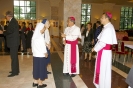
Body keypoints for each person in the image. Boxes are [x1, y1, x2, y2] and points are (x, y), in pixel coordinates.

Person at [92, 12, 117, 88]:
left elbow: (102, 43)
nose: (100, 19)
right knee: (103, 69)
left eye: (102, 18)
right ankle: (101, 84)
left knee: (103, 70)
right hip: (103, 52)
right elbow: (100, 41)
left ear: (107, 18)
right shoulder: (107, 27)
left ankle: (102, 85)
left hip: (104, 53)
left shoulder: (108, 28)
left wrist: (94, 48)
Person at [32, 20, 48, 88]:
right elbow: (43, 47)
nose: (44, 30)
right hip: (41, 56)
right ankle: (40, 84)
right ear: (40, 29)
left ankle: (35, 82)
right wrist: (46, 53)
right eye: (43, 29)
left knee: (36, 68)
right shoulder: (41, 37)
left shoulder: (34, 37)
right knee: (41, 69)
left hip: (35, 56)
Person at [3, 11, 20, 77]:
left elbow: (10, 31)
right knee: (14, 57)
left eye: (6, 16)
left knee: (13, 57)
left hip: (13, 42)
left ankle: (14, 72)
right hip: (14, 42)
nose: (6, 17)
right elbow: (11, 31)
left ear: (8, 16)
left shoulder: (12, 22)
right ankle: (16, 70)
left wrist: (3, 32)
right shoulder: (13, 21)